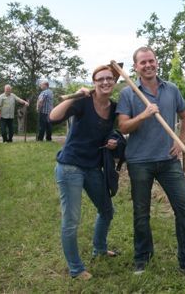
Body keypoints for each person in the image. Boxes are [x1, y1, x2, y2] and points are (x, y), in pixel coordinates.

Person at [117, 46, 185, 275]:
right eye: (143, 63)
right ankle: (142, 258)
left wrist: (180, 142)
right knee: (141, 213)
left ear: (156, 62)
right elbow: (122, 126)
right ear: (136, 67)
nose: (148, 65)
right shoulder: (128, 93)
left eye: (151, 61)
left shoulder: (171, 89)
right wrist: (144, 114)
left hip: (168, 160)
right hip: (139, 161)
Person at [49, 65, 124, 280]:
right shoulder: (82, 102)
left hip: (92, 167)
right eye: (100, 79)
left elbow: (114, 133)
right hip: (70, 166)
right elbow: (53, 117)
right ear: (94, 82)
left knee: (107, 210)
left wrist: (113, 142)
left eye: (109, 78)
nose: (105, 82)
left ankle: (99, 249)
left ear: (114, 82)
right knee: (71, 220)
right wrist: (72, 98)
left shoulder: (114, 108)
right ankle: (76, 268)